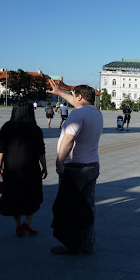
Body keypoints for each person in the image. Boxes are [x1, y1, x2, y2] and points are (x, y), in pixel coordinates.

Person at [47, 84, 103, 254]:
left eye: (73, 96)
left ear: (79, 97)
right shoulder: (96, 113)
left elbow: (69, 138)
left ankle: (71, 246)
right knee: (87, 207)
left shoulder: (78, 114)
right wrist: (59, 92)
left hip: (75, 168)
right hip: (92, 166)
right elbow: (76, 101)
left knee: (69, 208)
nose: (72, 99)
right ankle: (87, 245)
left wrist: (59, 162)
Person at [0, 101, 47, 237]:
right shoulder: (35, 129)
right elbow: (41, 151)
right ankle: (28, 223)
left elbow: (0, 148)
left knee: (13, 195)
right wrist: (45, 167)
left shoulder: (6, 127)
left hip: (11, 168)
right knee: (33, 195)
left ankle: (18, 225)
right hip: (31, 168)